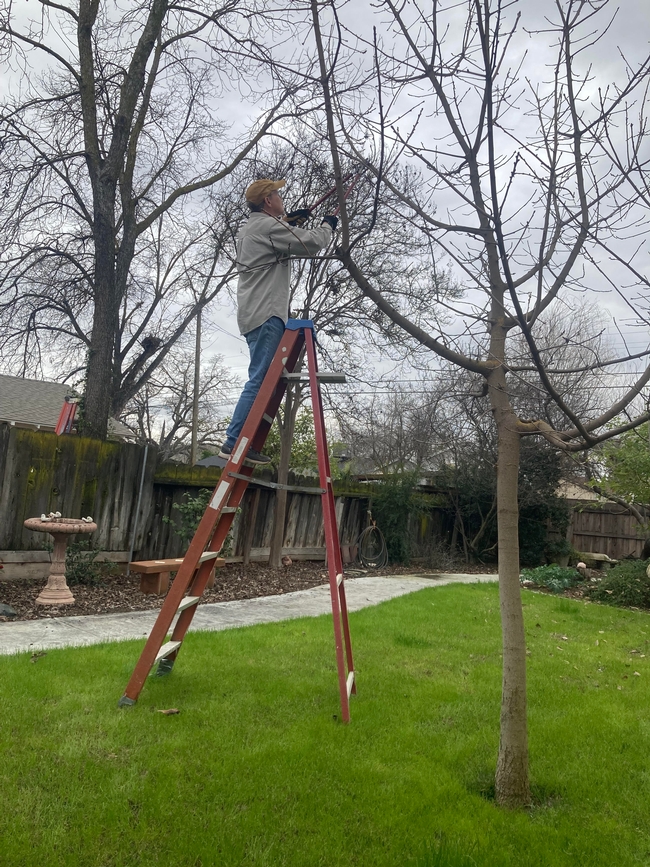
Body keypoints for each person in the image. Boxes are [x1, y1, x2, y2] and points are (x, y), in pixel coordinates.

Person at [219, 178, 338, 464]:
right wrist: (327, 225)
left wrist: (290, 221)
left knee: (262, 379)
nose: (281, 197)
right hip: (267, 313)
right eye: (277, 194)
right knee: (260, 380)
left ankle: (242, 442)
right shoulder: (267, 227)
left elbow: (279, 237)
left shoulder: (251, 228)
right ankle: (234, 442)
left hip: (253, 314)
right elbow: (310, 244)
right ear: (267, 201)